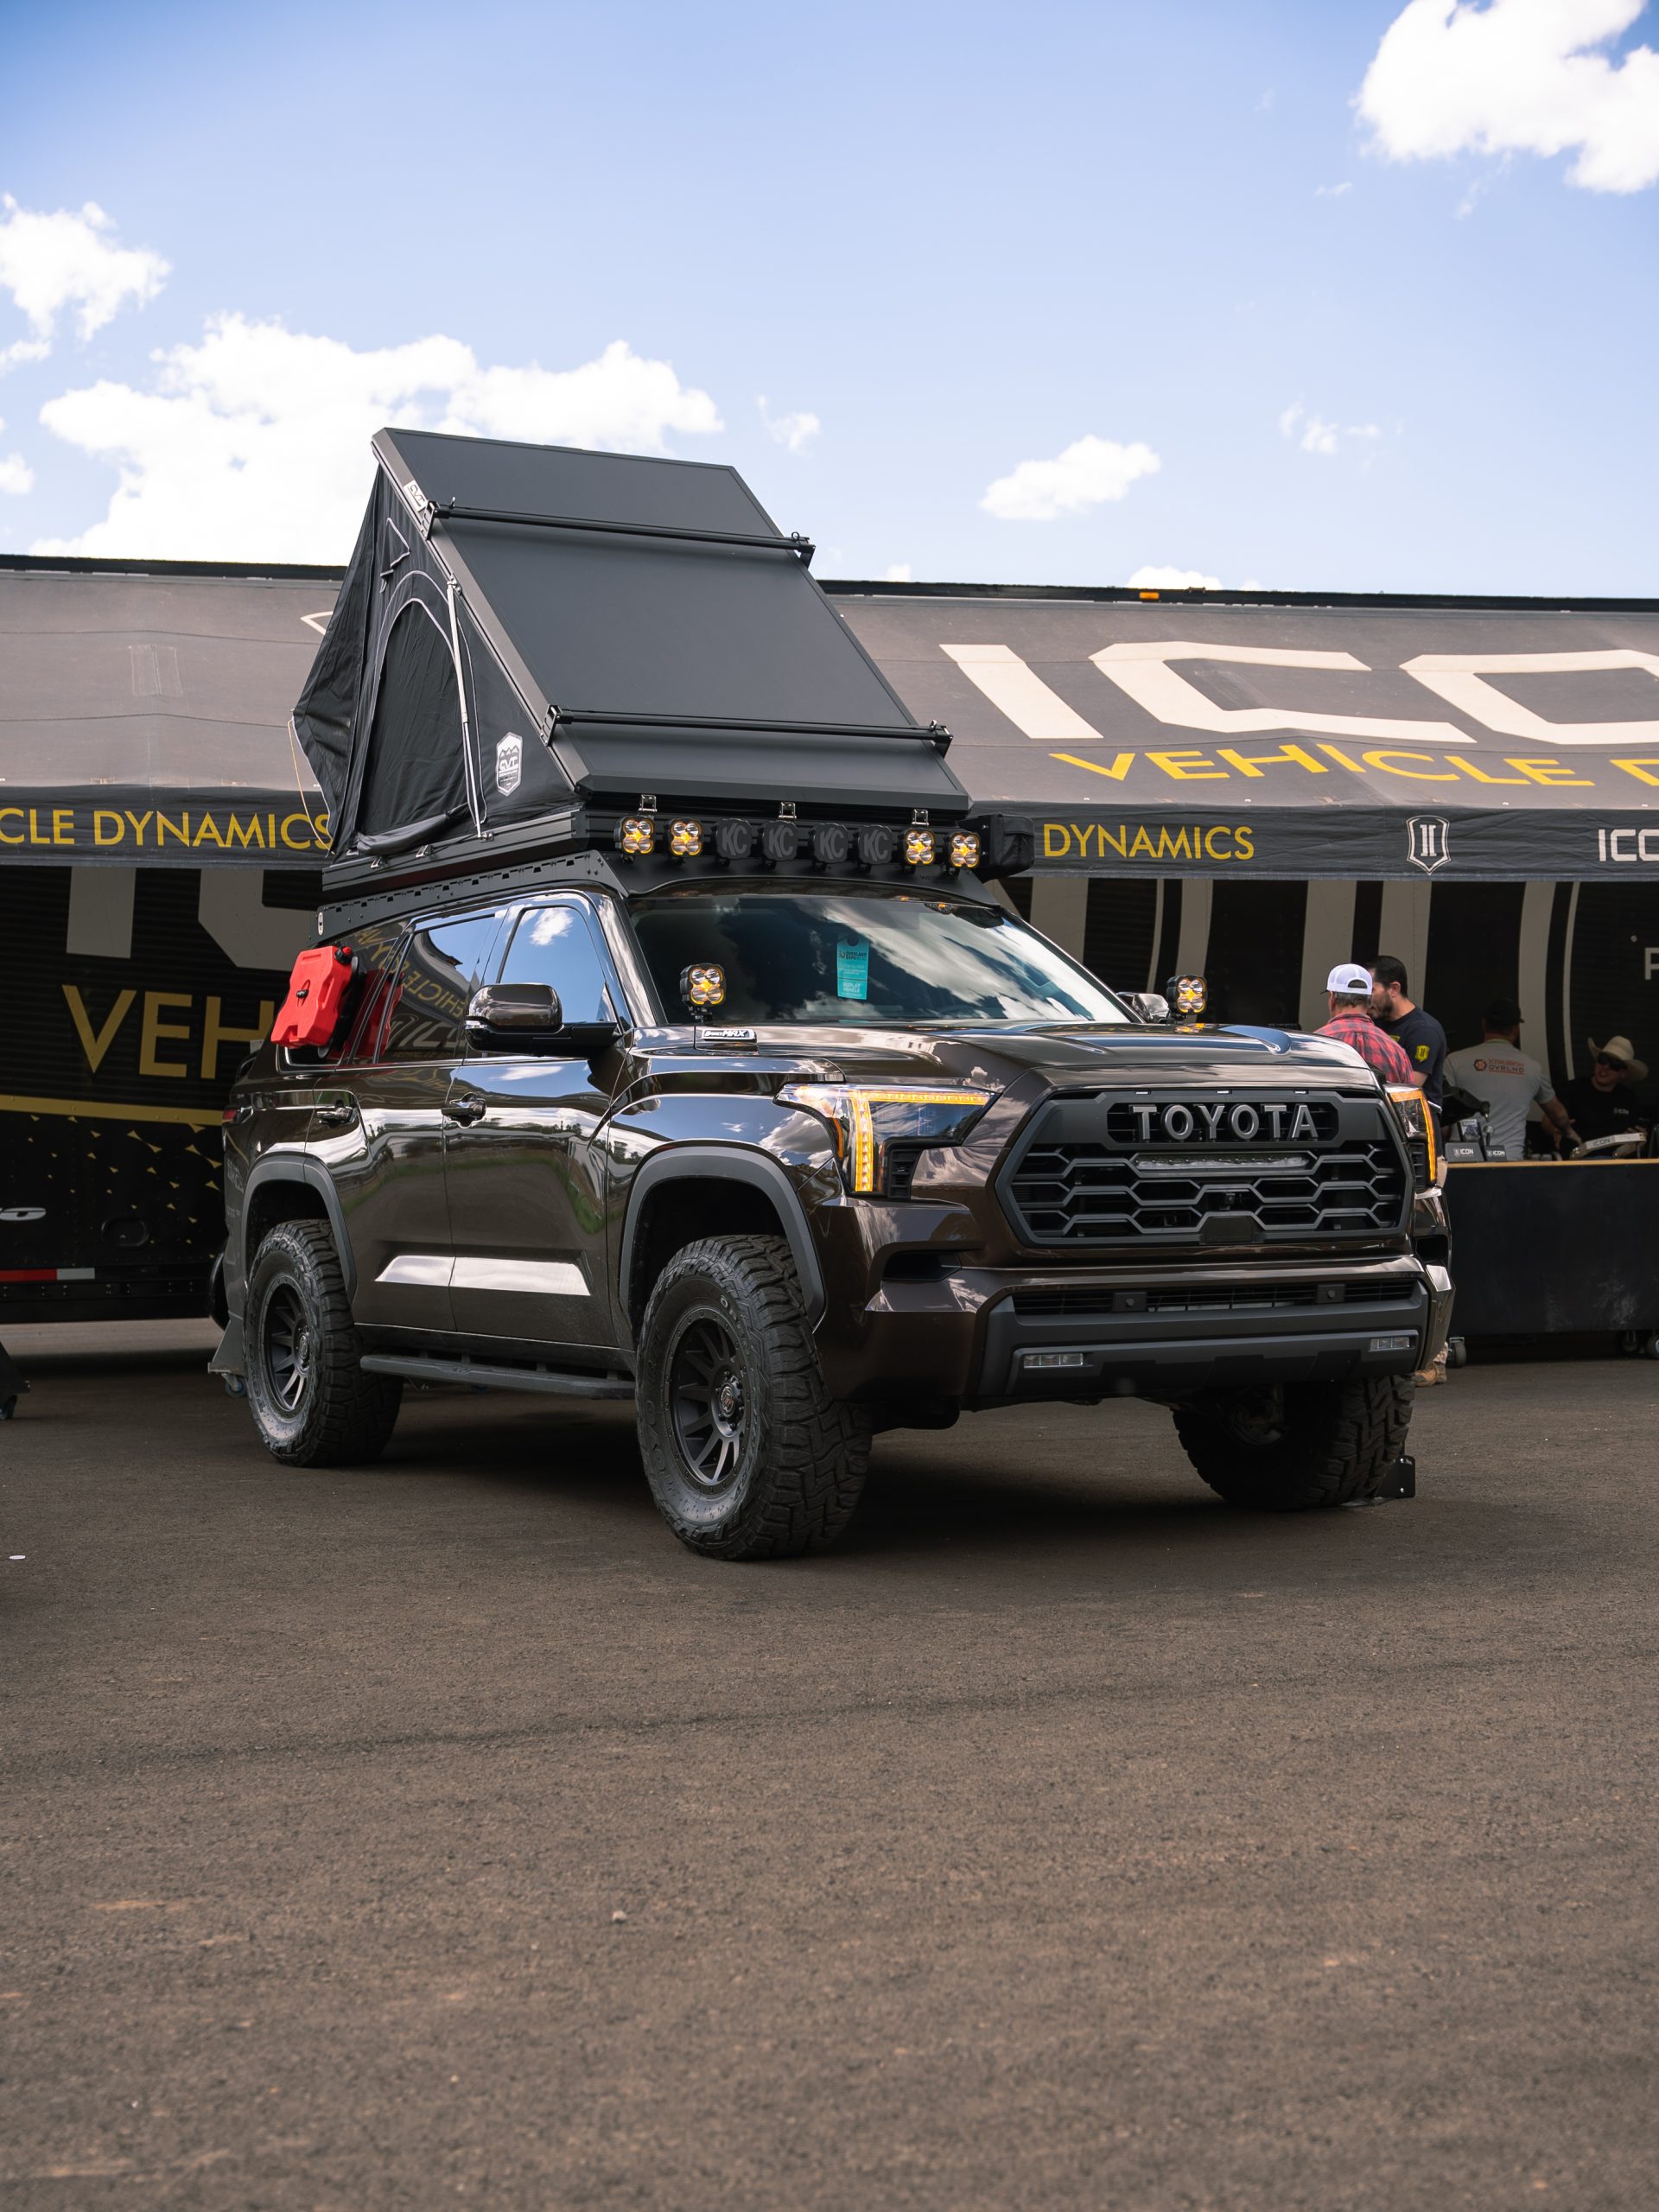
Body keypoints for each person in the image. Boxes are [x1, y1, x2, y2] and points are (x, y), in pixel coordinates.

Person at [1443, 999, 1573, 1160]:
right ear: (1515, 1030)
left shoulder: (1454, 1061)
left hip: (1463, 1159)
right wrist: (1571, 1134)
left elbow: (1442, 1119)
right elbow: (1559, 1115)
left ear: (1484, 1024)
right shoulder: (1532, 1067)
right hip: (1508, 1162)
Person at [1370, 955, 1447, 1109]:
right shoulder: (1374, 1023)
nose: (1366, 997)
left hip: (1414, 1127)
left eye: (1372, 989)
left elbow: (1407, 1088)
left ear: (1394, 989)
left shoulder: (1423, 1030)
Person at [1318, 963, 1415, 1084]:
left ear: (1332, 999)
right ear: (1369, 1002)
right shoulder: (1396, 1051)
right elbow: (1407, 1098)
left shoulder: (1316, 1045)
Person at [1557, 1035, 1651, 1146]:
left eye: (1614, 1065)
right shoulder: (1573, 1089)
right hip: (1577, 1159)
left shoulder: (1628, 1098)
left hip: (1616, 1160)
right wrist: (1555, 1127)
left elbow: (1634, 1136)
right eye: (1603, 1060)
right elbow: (1548, 1121)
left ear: (1623, 1073)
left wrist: (1640, 1138)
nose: (1605, 1067)